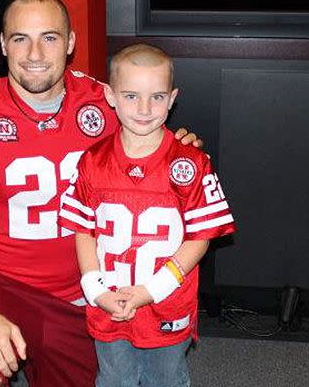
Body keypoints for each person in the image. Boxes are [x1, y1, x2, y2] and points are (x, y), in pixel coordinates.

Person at [0, 0, 202, 387]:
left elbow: (158, 149)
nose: (34, 52)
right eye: (20, 38)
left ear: (71, 42)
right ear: (3, 43)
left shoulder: (106, 103)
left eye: (50, 37)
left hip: (83, 293)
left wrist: (181, 150)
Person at [58, 43, 236, 387]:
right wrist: (95, 289)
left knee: (166, 378)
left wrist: (154, 289)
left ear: (172, 98)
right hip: (109, 300)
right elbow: (83, 230)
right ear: (110, 96)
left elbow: (200, 238)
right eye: (131, 96)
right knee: (113, 378)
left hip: (166, 302)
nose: (143, 108)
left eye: (156, 97)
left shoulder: (191, 163)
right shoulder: (92, 161)